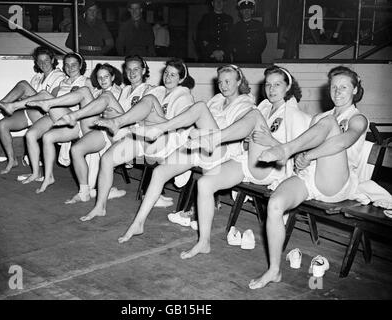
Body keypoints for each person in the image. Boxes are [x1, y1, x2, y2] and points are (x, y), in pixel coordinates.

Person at [248, 66, 369, 289]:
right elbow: (308, 147)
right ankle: (274, 270)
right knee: (275, 203)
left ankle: (285, 149)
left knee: (331, 125)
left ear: (355, 90)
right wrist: (302, 157)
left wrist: (307, 153)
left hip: (338, 183)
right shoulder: (321, 117)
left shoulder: (358, 119)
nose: (337, 91)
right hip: (312, 177)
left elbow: (344, 141)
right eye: (334, 87)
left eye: (344, 87)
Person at [177, 66, 311, 260]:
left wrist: (270, 142)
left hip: (273, 168)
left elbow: (297, 154)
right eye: (268, 85)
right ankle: (203, 241)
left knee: (254, 116)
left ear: (288, 86)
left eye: (277, 85)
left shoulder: (296, 115)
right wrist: (248, 141)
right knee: (204, 184)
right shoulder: (264, 106)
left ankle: (214, 137)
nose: (271, 89)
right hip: (250, 161)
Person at [118, 65, 257, 244]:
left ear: (239, 81)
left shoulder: (246, 104)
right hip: (201, 147)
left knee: (199, 107)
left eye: (228, 81)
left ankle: (158, 129)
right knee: (160, 172)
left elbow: (238, 132)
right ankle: (138, 223)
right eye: (220, 81)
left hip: (223, 150)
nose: (223, 85)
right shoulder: (216, 100)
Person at [78, 58, 195, 222]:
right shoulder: (159, 91)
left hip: (167, 140)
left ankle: (117, 122)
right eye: (166, 73)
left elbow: (181, 125)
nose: (168, 77)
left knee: (149, 100)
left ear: (181, 79)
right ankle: (100, 207)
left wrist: (153, 118)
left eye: (173, 75)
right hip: (145, 136)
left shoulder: (184, 97)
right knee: (107, 159)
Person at [33, 56, 152, 203]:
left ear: (144, 70)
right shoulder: (125, 90)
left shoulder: (150, 90)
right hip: (107, 129)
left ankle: (66, 113)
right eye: (129, 69)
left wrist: (115, 116)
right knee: (76, 150)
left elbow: (145, 118)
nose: (132, 73)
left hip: (130, 132)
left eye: (136, 69)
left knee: (99, 94)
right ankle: (84, 192)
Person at [0, 53, 91, 184]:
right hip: (55, 115)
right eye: (67, 65)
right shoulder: (62, 81)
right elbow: (51, 98)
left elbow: (91, 103)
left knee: (43, 94)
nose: (70, 68)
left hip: (72, 118)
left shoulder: (86, 81)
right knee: (30, 135)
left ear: (81, 65)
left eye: (74, 65)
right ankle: (36, 173)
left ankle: (12, 106)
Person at [30, 63, 122, 194]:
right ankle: (48, 177)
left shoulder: (119, 92)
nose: (102, 80)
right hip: (86, 125)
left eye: (106, 76)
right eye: (99, 77)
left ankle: (48, 103)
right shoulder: (96, 91)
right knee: (48, 136)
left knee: (84, 91)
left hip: (104, 131)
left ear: (113, 77)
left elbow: (121, 116)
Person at [0, 46, 66, 174]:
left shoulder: (59, 76)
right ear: (36, 63)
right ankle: (12, 160)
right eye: (39, 61)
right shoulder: (37, 78)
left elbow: (52, 100)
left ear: (52, 60)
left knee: (23, 85)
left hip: (48, 115)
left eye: (46, 60)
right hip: (33, 112)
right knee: (2, 125)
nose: (43, 64)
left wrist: (28, 97)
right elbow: (28, 101)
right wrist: (24, 99)